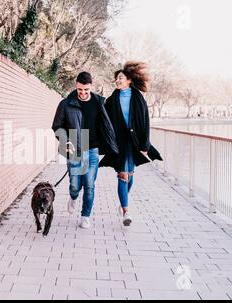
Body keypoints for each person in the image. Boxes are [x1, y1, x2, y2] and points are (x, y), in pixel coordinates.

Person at [52, 72, 118, 229]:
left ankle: (85, 216)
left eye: (86, 90)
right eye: (80, 89)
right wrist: (65, 140)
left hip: (93, 149)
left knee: (89, 184)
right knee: (75, 185)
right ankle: (73, 196)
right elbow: (57, 126)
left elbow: (108, 123)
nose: (82, 93)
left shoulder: (98, 102)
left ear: (91, 87)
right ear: (76, 84)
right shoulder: (66, 104)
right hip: (74, 148)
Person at [99, 62, 162, 226]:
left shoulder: (138, 98)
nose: (117, 81)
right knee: (123, 175)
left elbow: (145, 122)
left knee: (130, 176)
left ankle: (122, 202)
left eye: (120, 78)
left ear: (129, 80)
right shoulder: (112, 100)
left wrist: (145, 144)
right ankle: (126, 211)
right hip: (118, 143)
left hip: (133, 142)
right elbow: (103, 120)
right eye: (116, 79)